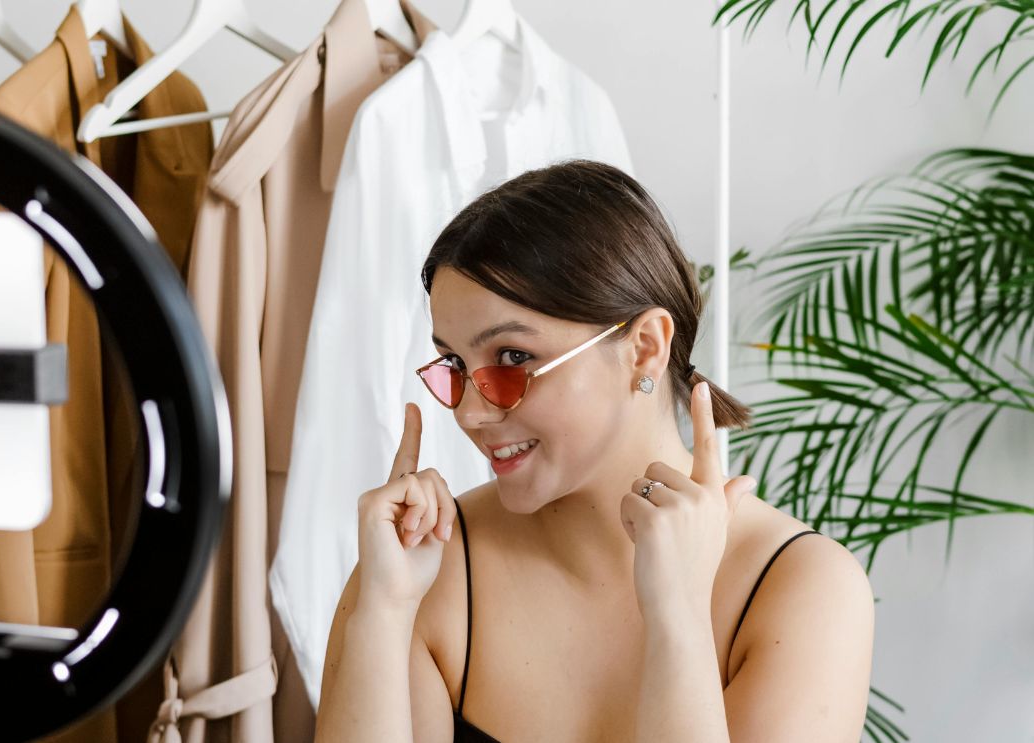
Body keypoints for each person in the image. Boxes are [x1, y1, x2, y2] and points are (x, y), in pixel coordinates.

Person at [314, 160, 874, 742]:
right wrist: (382, 614)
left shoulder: (803, 589)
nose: (470, 412)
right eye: (454, 365)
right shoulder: (424, 570)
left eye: (511, 357)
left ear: (645, 348)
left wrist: (679, 618)